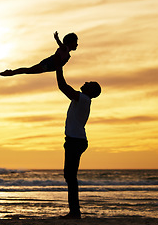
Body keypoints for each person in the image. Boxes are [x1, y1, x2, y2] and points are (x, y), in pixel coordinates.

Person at [55, 64, 101, 219]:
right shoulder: (83, 99)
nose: (86, 82)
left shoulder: (83, 99)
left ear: (90, 91)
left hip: (76, 141)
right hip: (75, 140)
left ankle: (75, 212)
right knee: (70, 176)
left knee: (70, 176)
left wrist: (58, 67)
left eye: (89, 84)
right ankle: (74, 211)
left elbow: (63, 86)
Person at [0, 31, 78, 76]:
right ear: (70, 43)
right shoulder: (65, 49)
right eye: (75, 42)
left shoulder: (66, 53)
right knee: (28, 70)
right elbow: (61, 46)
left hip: (48, 65)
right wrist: (57, 39)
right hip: (47, 64)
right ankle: (11, 72)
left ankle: (11, 72)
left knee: (29, 70)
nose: (77, 44)